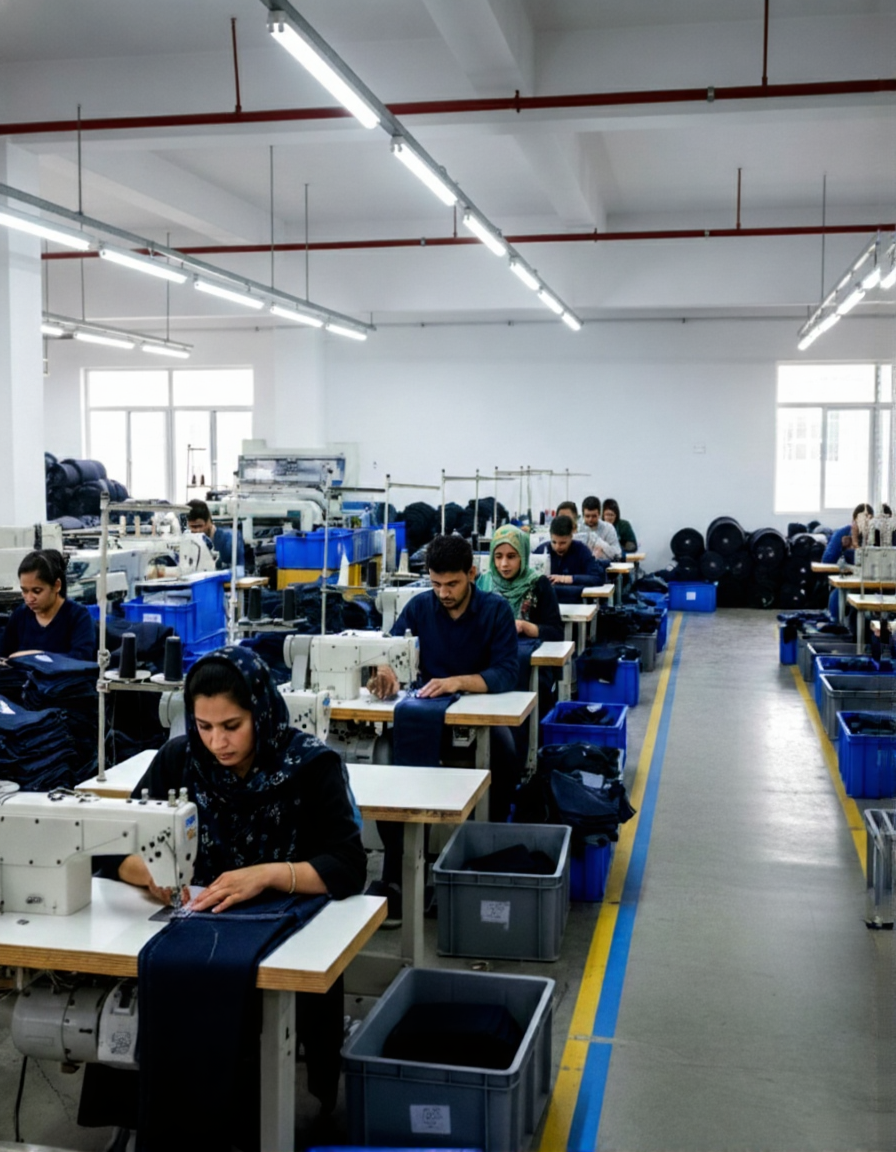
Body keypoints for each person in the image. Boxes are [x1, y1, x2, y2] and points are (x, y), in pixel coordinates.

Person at [86, 645, 366, 1138]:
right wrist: (146, 872)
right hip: (189, 925)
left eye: (232, 726)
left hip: (278, 934)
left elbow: (347, 866)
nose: (217, 742)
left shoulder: (313, 766)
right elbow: (111, 844)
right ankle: (154, 1123)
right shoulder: (178, 760)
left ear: (261, 710)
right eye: (204, 725)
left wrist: (269, 874)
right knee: (154, 983)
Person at [367, 534, 520, 922]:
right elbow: (390, 651)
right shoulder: (420, 608)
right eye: (436, 584)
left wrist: (458, 681)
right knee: (385, 763)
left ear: (472, 573)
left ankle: (479, 860)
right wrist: (383, 672)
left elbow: (506, 673)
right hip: (425, 712)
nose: (443, 593)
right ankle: (398, 871)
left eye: (451, 584)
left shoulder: (495, 611)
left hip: (477, 715)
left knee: (503, 757)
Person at [478, 523, 563, 719]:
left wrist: (525, 626)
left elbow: (556, 633)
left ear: (523, 556)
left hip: (530, 667)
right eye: (498, 557)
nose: (504, 564)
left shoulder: (539, 584)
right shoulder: (484, 583)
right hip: (490, 663)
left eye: (511, 556)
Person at [0, 549, 95, 660]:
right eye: (25, 591)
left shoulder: (78, 617)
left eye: (37, 591)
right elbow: (4, 653)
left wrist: (37, 656)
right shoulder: (20, 615)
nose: (29, 598)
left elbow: (81, 659)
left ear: (56, 585)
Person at [533, 515, 607, 603]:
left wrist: (567, 579)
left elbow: (597, 578)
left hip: (576, 602)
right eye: (554, 542)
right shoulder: (542, 550)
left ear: (571, 537)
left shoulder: (581, 550)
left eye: (563, 543)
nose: (557, 547)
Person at [822, 502, 873, 620]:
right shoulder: (843, 533)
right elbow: (826, 561)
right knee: (836, 598)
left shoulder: (877, 535)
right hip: (851, 583)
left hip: (873, 585)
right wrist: (842, 546)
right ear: (854, 521)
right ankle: (837, 629)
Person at [186, 498, 245, 573]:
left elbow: (239, 573)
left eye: (200, 526)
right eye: (193, 527)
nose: (197, 531)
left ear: (209, 521)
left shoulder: (230, 540)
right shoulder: (188, 543)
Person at [582, 496, 622, 560]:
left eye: (594, 516)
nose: (590, 519)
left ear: (599, 514)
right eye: (587, 516)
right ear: (583, 515)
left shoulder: (608, 528)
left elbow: (617, 554)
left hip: (605, 567)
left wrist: (602, 546)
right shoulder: (578, 529)